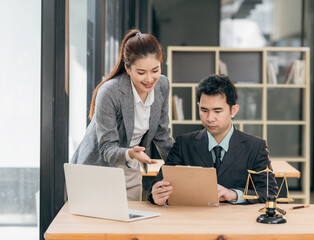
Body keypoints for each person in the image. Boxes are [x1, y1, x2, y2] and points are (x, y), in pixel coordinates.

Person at [71, 29, 174, 201]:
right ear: (127, 68)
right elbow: (107, 148)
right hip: (97, 168)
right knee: (98, 226)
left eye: (155, 70)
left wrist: (182, 167)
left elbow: (162, 135)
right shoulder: (111, 92)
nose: (149, 79)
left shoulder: (162, 85)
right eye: (141, 73)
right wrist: (131, 153)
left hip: (131, 167)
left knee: (131, 223)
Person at [148, 74, 278, 205]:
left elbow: (269, 192)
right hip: (194, 219)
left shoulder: (255, 147)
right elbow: (158, 185)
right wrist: (156, 195)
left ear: (233, 110)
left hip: (236, 222)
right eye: (204, 110)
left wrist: (232, 194)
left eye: (217, 111)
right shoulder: (183, 144)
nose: (210, 118)